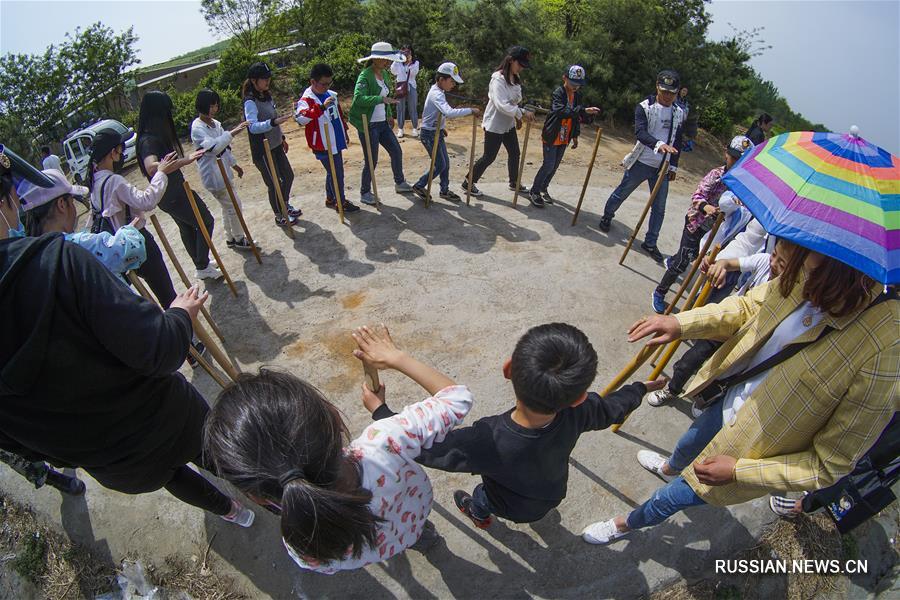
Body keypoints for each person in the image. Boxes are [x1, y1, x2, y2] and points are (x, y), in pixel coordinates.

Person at [0, 145, 254, 527]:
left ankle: (231, 511)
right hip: (162, 418)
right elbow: (159, 349)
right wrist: (179, 317)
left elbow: (20, 446)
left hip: (115, 466)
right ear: (7, 202)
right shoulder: (59, 260)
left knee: (171, 476)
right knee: (218, 453)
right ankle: (274, 502)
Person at [581, 240, 898, 545]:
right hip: (728, 401)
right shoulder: (811, 264)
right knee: (690, 441)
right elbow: (749, 306)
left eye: (806, 265)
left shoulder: (884, 349)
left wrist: (740, 471)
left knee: (671, 498)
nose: (790, 272)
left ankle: (626, 524)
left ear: (846, 270)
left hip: (751, 451)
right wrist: (682, 322)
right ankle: (669, 468)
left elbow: (830, 464)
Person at [204, 326, 473, 573]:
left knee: (395, 540)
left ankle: (414, 541)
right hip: (413, 518)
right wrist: (396, 359)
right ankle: (426, 540)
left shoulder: (300, 539)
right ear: (333, 416)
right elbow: (457, 398)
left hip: (375, 550)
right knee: (420, 533)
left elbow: (327, 566)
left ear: (257, 497)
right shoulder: (383, 440)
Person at [405, 323, 663, 528]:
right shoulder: (580, 411)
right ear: (579, 398)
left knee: (481, 495)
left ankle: (478, 512)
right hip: (552, 494)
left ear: (508, 370)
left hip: (507, 503)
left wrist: (382, 413)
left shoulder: (486, 440)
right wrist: (638, 389)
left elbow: (427, 448)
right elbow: (612, 408)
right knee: (531, 507)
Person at [646, 241, 789, 410]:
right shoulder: (764, 261)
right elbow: (730, 263)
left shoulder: (788, 295)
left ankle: (702, 401)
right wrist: (719, 265)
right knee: (691, 359)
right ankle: (672, 389)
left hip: (749, 340)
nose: (773, 263)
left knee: (718, 374)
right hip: (728, 322)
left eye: (781, 264)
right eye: (774, 255)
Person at [651, 135, 754, 313]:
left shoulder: (744, 186)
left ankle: (675, 260)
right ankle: (659, 292)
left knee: (702, 263)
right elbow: (697, 196)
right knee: (683, 262)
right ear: (726, 153)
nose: (736, 162)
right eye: (733, 157)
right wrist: (707, 207)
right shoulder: (716, 175)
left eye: (741, 160)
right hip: (697, 223)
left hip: (718, 233)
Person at [85, 128, 184, 305]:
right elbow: (146, 201)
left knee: (144, 299)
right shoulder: (114, 181)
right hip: (139, 241)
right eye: (120, 149)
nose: (122, 153)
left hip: (121, 247)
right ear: (113, 152)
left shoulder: (94, 183)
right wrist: (161, 172)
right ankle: (180, 328)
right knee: (167, 294)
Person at [598, 70, 685, 262]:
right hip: (643, 161)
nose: (668, 96)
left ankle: (651, 242)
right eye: (664, 91)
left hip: (663, 167)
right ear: (657, 87)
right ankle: (607, 215)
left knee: (659, 208)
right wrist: (659, 145)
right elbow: (640, 132)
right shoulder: (645, 107)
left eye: (672, 93)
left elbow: (677, 140)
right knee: (623, 191)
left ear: (677, 92)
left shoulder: (679, 112)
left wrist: (674, 166)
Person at [136, 91, 222, 281]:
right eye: (166, 112)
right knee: (205, 220)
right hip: (173, 194)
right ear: (158, 114)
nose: (169, 118)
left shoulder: (152, 136)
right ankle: (201, 264)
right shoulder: (148, 139)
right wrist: (185, 160)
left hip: (171, 194)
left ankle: (202, 264)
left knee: (188, 228)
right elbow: (151, 167)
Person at [20, 168, 146, 286]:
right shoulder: (76, 245)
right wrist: (129, 231)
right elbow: (129, 250)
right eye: (72, 202)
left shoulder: (32, 256)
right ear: (62, 204)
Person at [348, 42, 414, 206]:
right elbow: (358, 99)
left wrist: (389, 114)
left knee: (396, 151)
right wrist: (380, 99)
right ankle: (364, 192)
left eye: (389, 59)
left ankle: (399, 182)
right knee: (372, 160)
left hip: (382, 123)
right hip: (368, 124)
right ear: (375, 59)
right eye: (385, 59)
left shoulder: (384, 74)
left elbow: (387, 97)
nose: (388, 62)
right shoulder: (365, 76)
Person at [464, 46, 535, 197]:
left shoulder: (515, 79)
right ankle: (468, 182)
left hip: (508, 124)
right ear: (511, 61)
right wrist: (521, 113)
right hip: (495, 124)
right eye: (520, 64)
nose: (521, 68)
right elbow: (501, 104)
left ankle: (514, 182)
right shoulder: (498, 79)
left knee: (515, 153)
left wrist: (517, 117)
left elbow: (515, 101)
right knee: (489, 156)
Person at [191, 89, 257, 250]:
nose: (214, 109)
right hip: (214, 176)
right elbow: (214, 147)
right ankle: (240, 238)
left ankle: (230, 237)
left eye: (216, 106)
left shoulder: (216, 124)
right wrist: (233, 132)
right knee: (234, 205)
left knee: (227, 207)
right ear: (202, 106)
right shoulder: (197, 128)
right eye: (211, 106)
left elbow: (225, 149)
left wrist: (235, 165)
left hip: (224, 172)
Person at [528, 65, 600, 208]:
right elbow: (561, 111)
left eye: (578, 84)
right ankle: (534, 191)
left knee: (554, 166)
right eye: (573, 83)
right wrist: (583, 110)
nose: (575, 87)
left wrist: (575, 135)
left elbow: (576, 118)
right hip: (552, 133)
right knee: (548, 164)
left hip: (565, 135)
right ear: (564, 78)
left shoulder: (578, 96)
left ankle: (543, 188)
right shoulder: (558, 93)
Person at [294, 63, 360, 214]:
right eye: (323, 83)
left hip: (335, 139)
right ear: (313, 82)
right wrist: (321, 108)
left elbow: (337, 115)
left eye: (329, 83)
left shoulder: (331, 94)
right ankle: (340, 201)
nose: (326, 86)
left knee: (333, 171)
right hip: (322, 143)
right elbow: (301, 119)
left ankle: (331, 197)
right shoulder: (306, 100)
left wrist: (344, 131)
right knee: (337, 173)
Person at [411, 62, 480, 204]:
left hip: (436, 132)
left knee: (445, 164)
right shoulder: (437, 94)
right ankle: (419, 185)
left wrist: (441, 127)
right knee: (440, 164)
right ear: (441, 79)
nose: (453, 84)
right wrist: (470, 110)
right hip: (429, 134)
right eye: (452, 80)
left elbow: (436, 114)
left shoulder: (439, 91)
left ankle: (444, 190)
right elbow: (448, 112)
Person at [243, 62, 301, 226]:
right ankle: (279, 214)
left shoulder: (267, 96)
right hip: (263, 150)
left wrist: (281, 137)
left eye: (268, 78)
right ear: (254, 81)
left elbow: (274, 117)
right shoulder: (250, 101)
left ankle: (285, 205)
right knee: (275, 183)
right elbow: (252, 127)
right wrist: (273, 122)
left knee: (288, 176)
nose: (267, 81)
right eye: (264, 78)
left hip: (276, 145)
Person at [391, 45, 420, 139]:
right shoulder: (398, 62)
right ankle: (400, 128)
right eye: (404, 52)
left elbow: (414, 73)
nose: (406, 54)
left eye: (408, 52)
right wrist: (397, 59)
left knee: (413, 108)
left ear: (411, 53)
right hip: (400, 87)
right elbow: (393, 71)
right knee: (400, 108)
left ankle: (415, 128)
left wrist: (410, 62)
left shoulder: (415, 63)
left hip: (411, 86)